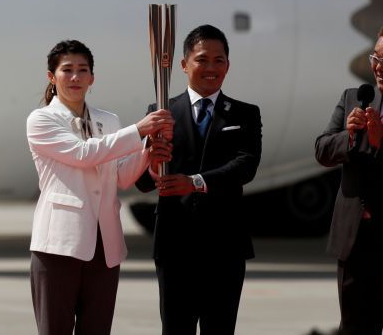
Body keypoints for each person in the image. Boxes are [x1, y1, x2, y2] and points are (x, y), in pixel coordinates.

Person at [27, 39, 174, 335]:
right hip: (59, 245)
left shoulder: (109, 120)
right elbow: (84, 154)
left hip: (105, 245)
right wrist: (139, 131)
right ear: (51, 77)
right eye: (66, 70)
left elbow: (121, 177)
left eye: (83, 70)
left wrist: (149, 148)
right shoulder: (41, 120)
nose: (75, 77)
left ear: (92, 78)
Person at [136, 24, 262, 335]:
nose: (211, 68)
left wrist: (195, 181)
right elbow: (143, 182)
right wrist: (153, 163)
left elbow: (245, 166)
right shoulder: (161, 111)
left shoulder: (244, 114)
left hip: (225, 245)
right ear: (183, 64)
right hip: (175, 244)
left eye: (219, 61)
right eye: (202, 59)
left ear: (228, 66)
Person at [315, 26, 383, 335]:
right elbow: (322, 149)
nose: (378, 67)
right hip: (354, 238)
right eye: (375, 58)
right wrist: (350, 136)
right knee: (354, 327)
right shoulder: (353, 98)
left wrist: (381, 142)